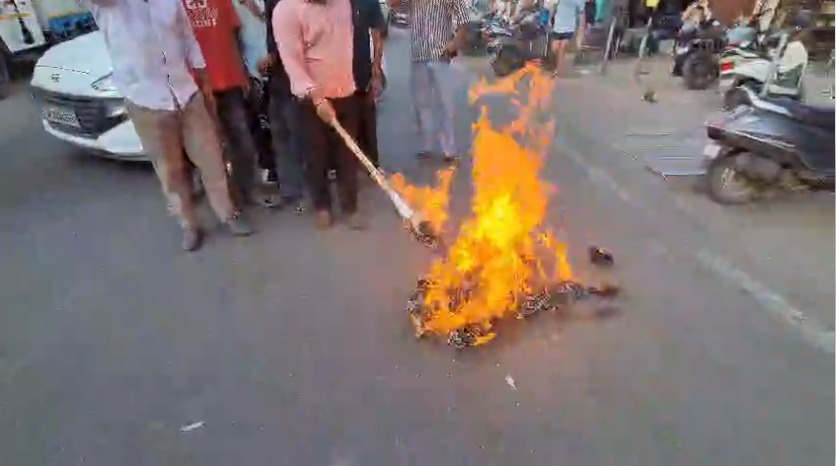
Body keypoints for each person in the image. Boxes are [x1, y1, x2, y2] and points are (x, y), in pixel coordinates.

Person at [86, 0, 253, 252]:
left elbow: (187, 36)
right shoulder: (111, 7)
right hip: (145, 98)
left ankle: (228, 213)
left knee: (211, 157)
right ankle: (189, 224)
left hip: (185, 91)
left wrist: (203, 79)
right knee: (170, 169)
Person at [273, 0, 364, 230]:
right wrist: (317, 98)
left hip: (345, 90)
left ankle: (350, 206)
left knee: (348, 154)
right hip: (310, 100)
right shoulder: (286, 10)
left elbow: (346, 44)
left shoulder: (342, 3)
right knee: (316, 156)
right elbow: (293, 63)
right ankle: (322, 206)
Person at [182, 0, 276, 209]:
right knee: (207, 147)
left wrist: (242, 73)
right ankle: (220, 198)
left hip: (229, 82)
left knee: (242, 140)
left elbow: (235, 37)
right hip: (194, 87)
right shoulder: (175, 5)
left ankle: (248, 191)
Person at [390, 0, 469, 163]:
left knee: (444, 103)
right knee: (421, 104)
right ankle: (426, 146)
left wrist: (454, 44)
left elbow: (463, 19)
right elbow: (395, 4)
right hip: (418, 55)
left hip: (440, 55)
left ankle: (449, 149)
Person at [260, 0, 307, 213]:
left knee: (300, 139)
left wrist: (274, 56)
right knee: (281, 138)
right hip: (276, 80)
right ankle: (289, 191)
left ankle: (308, 194)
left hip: (295, 80)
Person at [350, 0, 387, 169]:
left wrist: (376, 67)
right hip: (339, 68)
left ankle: (371, 161)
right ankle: (347, 162)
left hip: (363, 68)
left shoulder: (369, 3)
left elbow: (377, 34)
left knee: (367, 114)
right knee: (347, 117)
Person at [548, 0, 585, 77]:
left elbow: (582, 14)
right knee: (554, 48)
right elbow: (553, 6)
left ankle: (558, 70)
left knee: (562, 46)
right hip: (558, 25)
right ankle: (555, 66)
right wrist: (550, 19)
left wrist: (581, 29)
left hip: (570, 26)